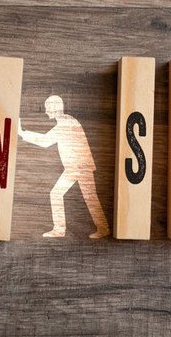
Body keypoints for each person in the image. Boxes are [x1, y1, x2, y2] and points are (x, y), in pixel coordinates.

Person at [18, 95, 110, 238]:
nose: (46, 111)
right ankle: (61, 230)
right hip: (75, 167)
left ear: (54, 109)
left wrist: (22, 133)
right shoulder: (67, 121)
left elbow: (45, 141)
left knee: (87, 197)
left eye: (48, 108)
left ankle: (97, 229)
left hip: (79, 167)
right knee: (65, 194)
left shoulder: (66, 124)